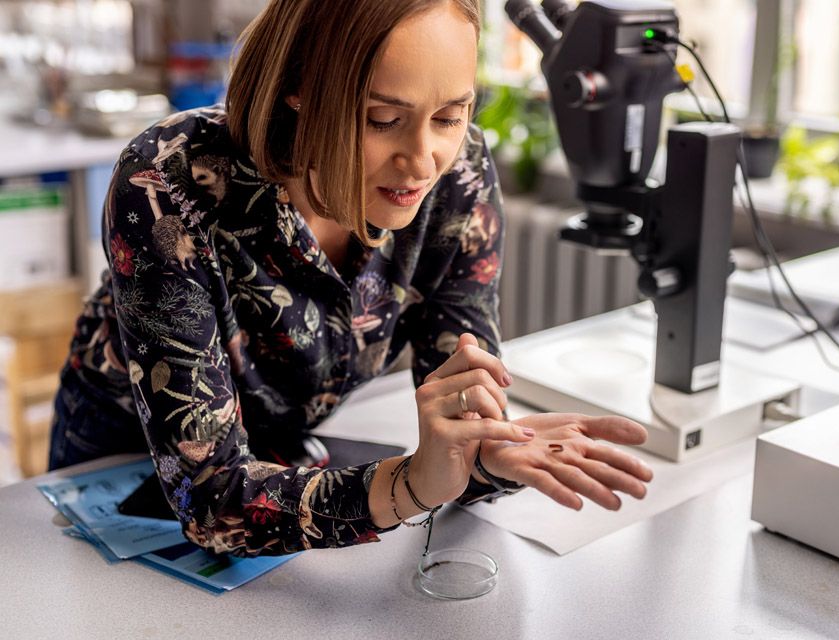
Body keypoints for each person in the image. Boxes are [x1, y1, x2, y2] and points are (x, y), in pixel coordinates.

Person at [48, 0, 654, 555]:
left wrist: (487, 453)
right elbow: (214, 502)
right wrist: (409, 485)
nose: (422, 160)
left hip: (284, 456)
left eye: (450, 116)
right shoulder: (168, 179)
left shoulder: (459, 174)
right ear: (299, 89)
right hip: (118, 470)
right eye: (383, 119)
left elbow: (460, 418)